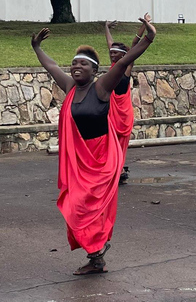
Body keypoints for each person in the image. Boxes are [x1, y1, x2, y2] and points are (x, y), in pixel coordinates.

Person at [31, 16, 155, 275]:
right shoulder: (69, 87)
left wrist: (148, 38)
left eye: (83, 64)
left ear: (94, 70)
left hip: (100, 160)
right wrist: (37, 48)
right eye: (74, 63)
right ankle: (97, 256)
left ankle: (96, 256)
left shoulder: (101, 88)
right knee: (75, 209)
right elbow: (51, 66)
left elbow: (123, 62)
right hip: (79, 160)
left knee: (89, 210)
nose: (76, 66)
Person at [104, 14, 150, 184]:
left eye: (115, 53)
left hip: (122, 114)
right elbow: (110, 43)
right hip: (110, 113)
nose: (112, 55)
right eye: (110, 53)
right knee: (109, 143)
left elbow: (135, 45)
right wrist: (106, 27)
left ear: (123, 55)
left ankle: (119, 169)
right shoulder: (113, 66)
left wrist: (144, 26)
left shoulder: (126, 66)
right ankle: (113, 170)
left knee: (120, 145)